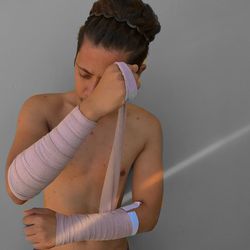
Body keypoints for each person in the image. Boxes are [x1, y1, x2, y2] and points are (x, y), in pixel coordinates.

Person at [5, 0, 163, 249]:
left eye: (105, 82)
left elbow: (147, 215)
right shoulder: (43, 110)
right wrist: (89, 112)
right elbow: (17, 190)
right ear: (75, 58)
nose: (91, 91)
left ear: (137, 74)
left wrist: (68, 228)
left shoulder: (145, 127)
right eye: (84, 74)